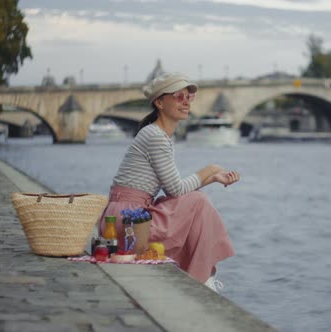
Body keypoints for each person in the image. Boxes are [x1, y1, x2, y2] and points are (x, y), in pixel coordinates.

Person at [99, 72, 240, 291]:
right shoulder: (155, 136)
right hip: (129, 222)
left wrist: (212, 178)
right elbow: (176, 189)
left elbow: (176, 189)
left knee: (196, 203)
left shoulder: (157, 135)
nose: (185, 102)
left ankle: (199, 279)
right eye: (178, 96)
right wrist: (210, 169)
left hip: (127, 218)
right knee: (199, 203)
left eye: (188, 97)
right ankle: (201, 281)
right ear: (159, 102)